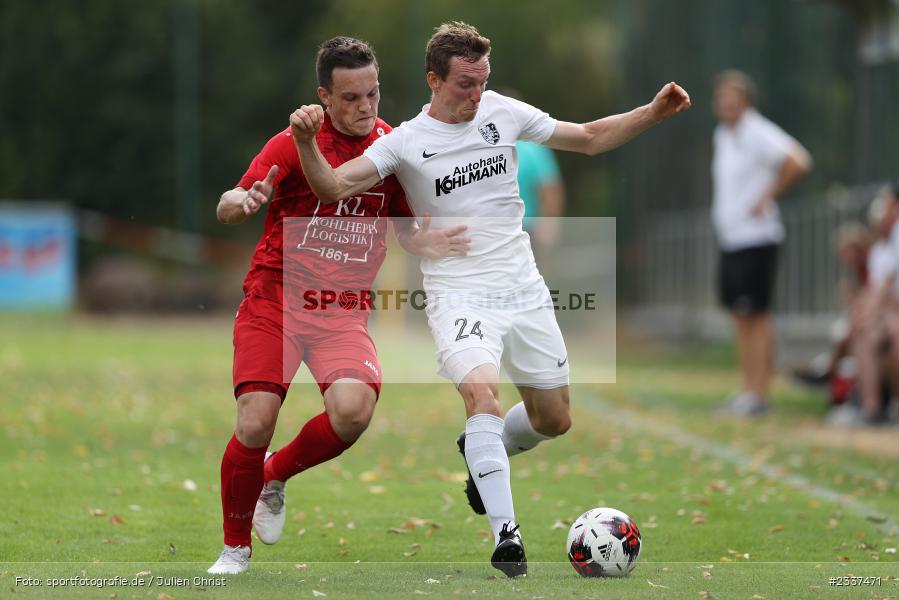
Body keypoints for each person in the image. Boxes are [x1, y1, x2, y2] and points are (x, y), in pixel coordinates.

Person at [288, 22, 690, 577]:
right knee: (482, 395)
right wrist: (306, 142)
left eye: (482, 81)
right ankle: (507, 536)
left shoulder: (503, 111)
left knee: (554, 419)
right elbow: (332, 186)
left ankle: (483, 449)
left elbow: (590, 137)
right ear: (434, 80)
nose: (476, 95)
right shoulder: (404, 141)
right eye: (465, 84)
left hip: (523, 287)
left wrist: (652, 112)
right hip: (458, 293)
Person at [208, 36, 469, 575]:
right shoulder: (293, 143)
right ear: (324, 97)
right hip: (275, 301)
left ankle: (273, 475)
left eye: (373, 93)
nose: (365, 107)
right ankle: (235, 550)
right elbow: (228, 204)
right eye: (351, 97)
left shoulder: (391, 147)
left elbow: (406, 231)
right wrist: (244, 201)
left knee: (353, 411)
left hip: (341, 309)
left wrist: (430, 242)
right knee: (255, 421)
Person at [711, 69, 812, 417]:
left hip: (756, 237)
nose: (727, 103)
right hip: (732, 238)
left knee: (756, 314)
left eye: (733, 97)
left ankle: (759, 394)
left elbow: (798, 161)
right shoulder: (723, 134)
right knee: (741, 316)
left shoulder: (757, 131)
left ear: (746, 101)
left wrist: (766, 197)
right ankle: (748, 389)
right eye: (722, 97)